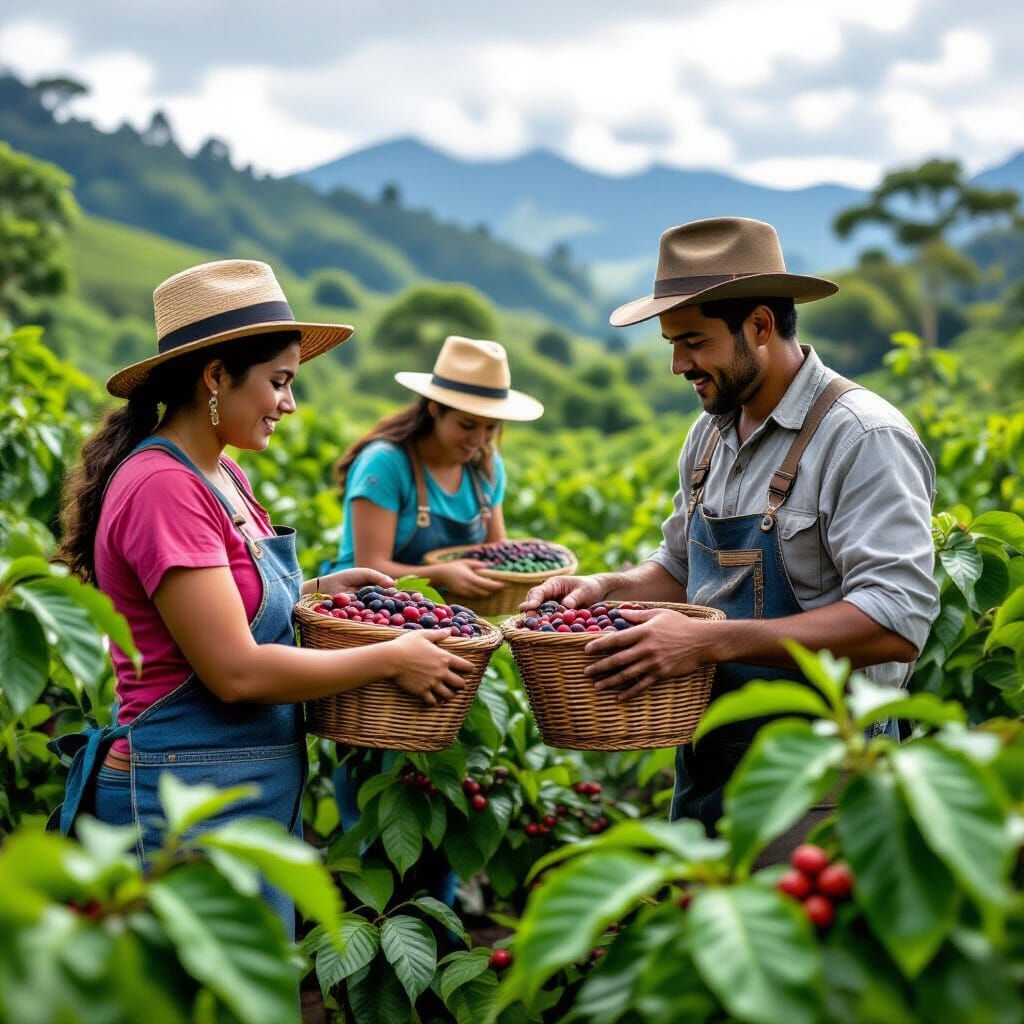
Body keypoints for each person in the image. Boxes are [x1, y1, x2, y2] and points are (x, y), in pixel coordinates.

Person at [54, 259, 472, 936]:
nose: (289, 403)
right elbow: (236, 670)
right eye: (279, 382)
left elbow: (224, 604)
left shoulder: (224, 475)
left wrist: (317, 589)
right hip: (182, 792)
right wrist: (394, 655)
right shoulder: (164, 487)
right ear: (216, 376)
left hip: (243, 786)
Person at [524, 217, 939, 854]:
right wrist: (604, 586)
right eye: (671, 344)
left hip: (822, 772)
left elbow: (895, 622)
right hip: (712, 761)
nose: (677, 365)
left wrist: (707, 641)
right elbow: (679, 567)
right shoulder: (710, 434)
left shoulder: (861, 438)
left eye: (692, 342)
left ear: (761, 327)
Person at [325, 334, 544, 595]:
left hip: (448, 612)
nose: (479, 439)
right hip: (369, 606)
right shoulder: (385, 463)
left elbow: (495, 551)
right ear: (434, 410)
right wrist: (440, 575)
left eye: (490, 427)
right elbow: (369, 565)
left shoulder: (487, 465)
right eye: (467, 425)